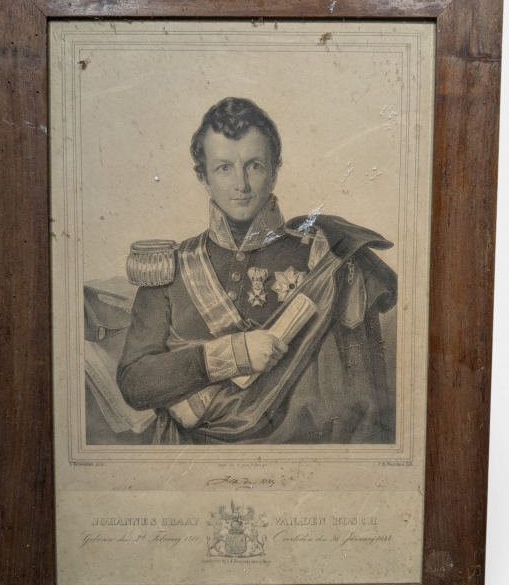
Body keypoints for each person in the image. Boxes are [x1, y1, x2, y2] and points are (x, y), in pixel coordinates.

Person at [115, 97, 397, 444]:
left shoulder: (322, 259)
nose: (241, 184)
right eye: (224, 168)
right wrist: (230, 356)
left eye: (254, 166)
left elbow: (363, 401)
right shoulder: (170, 267)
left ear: (275, 170)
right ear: (203, 177)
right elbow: (134, 383)